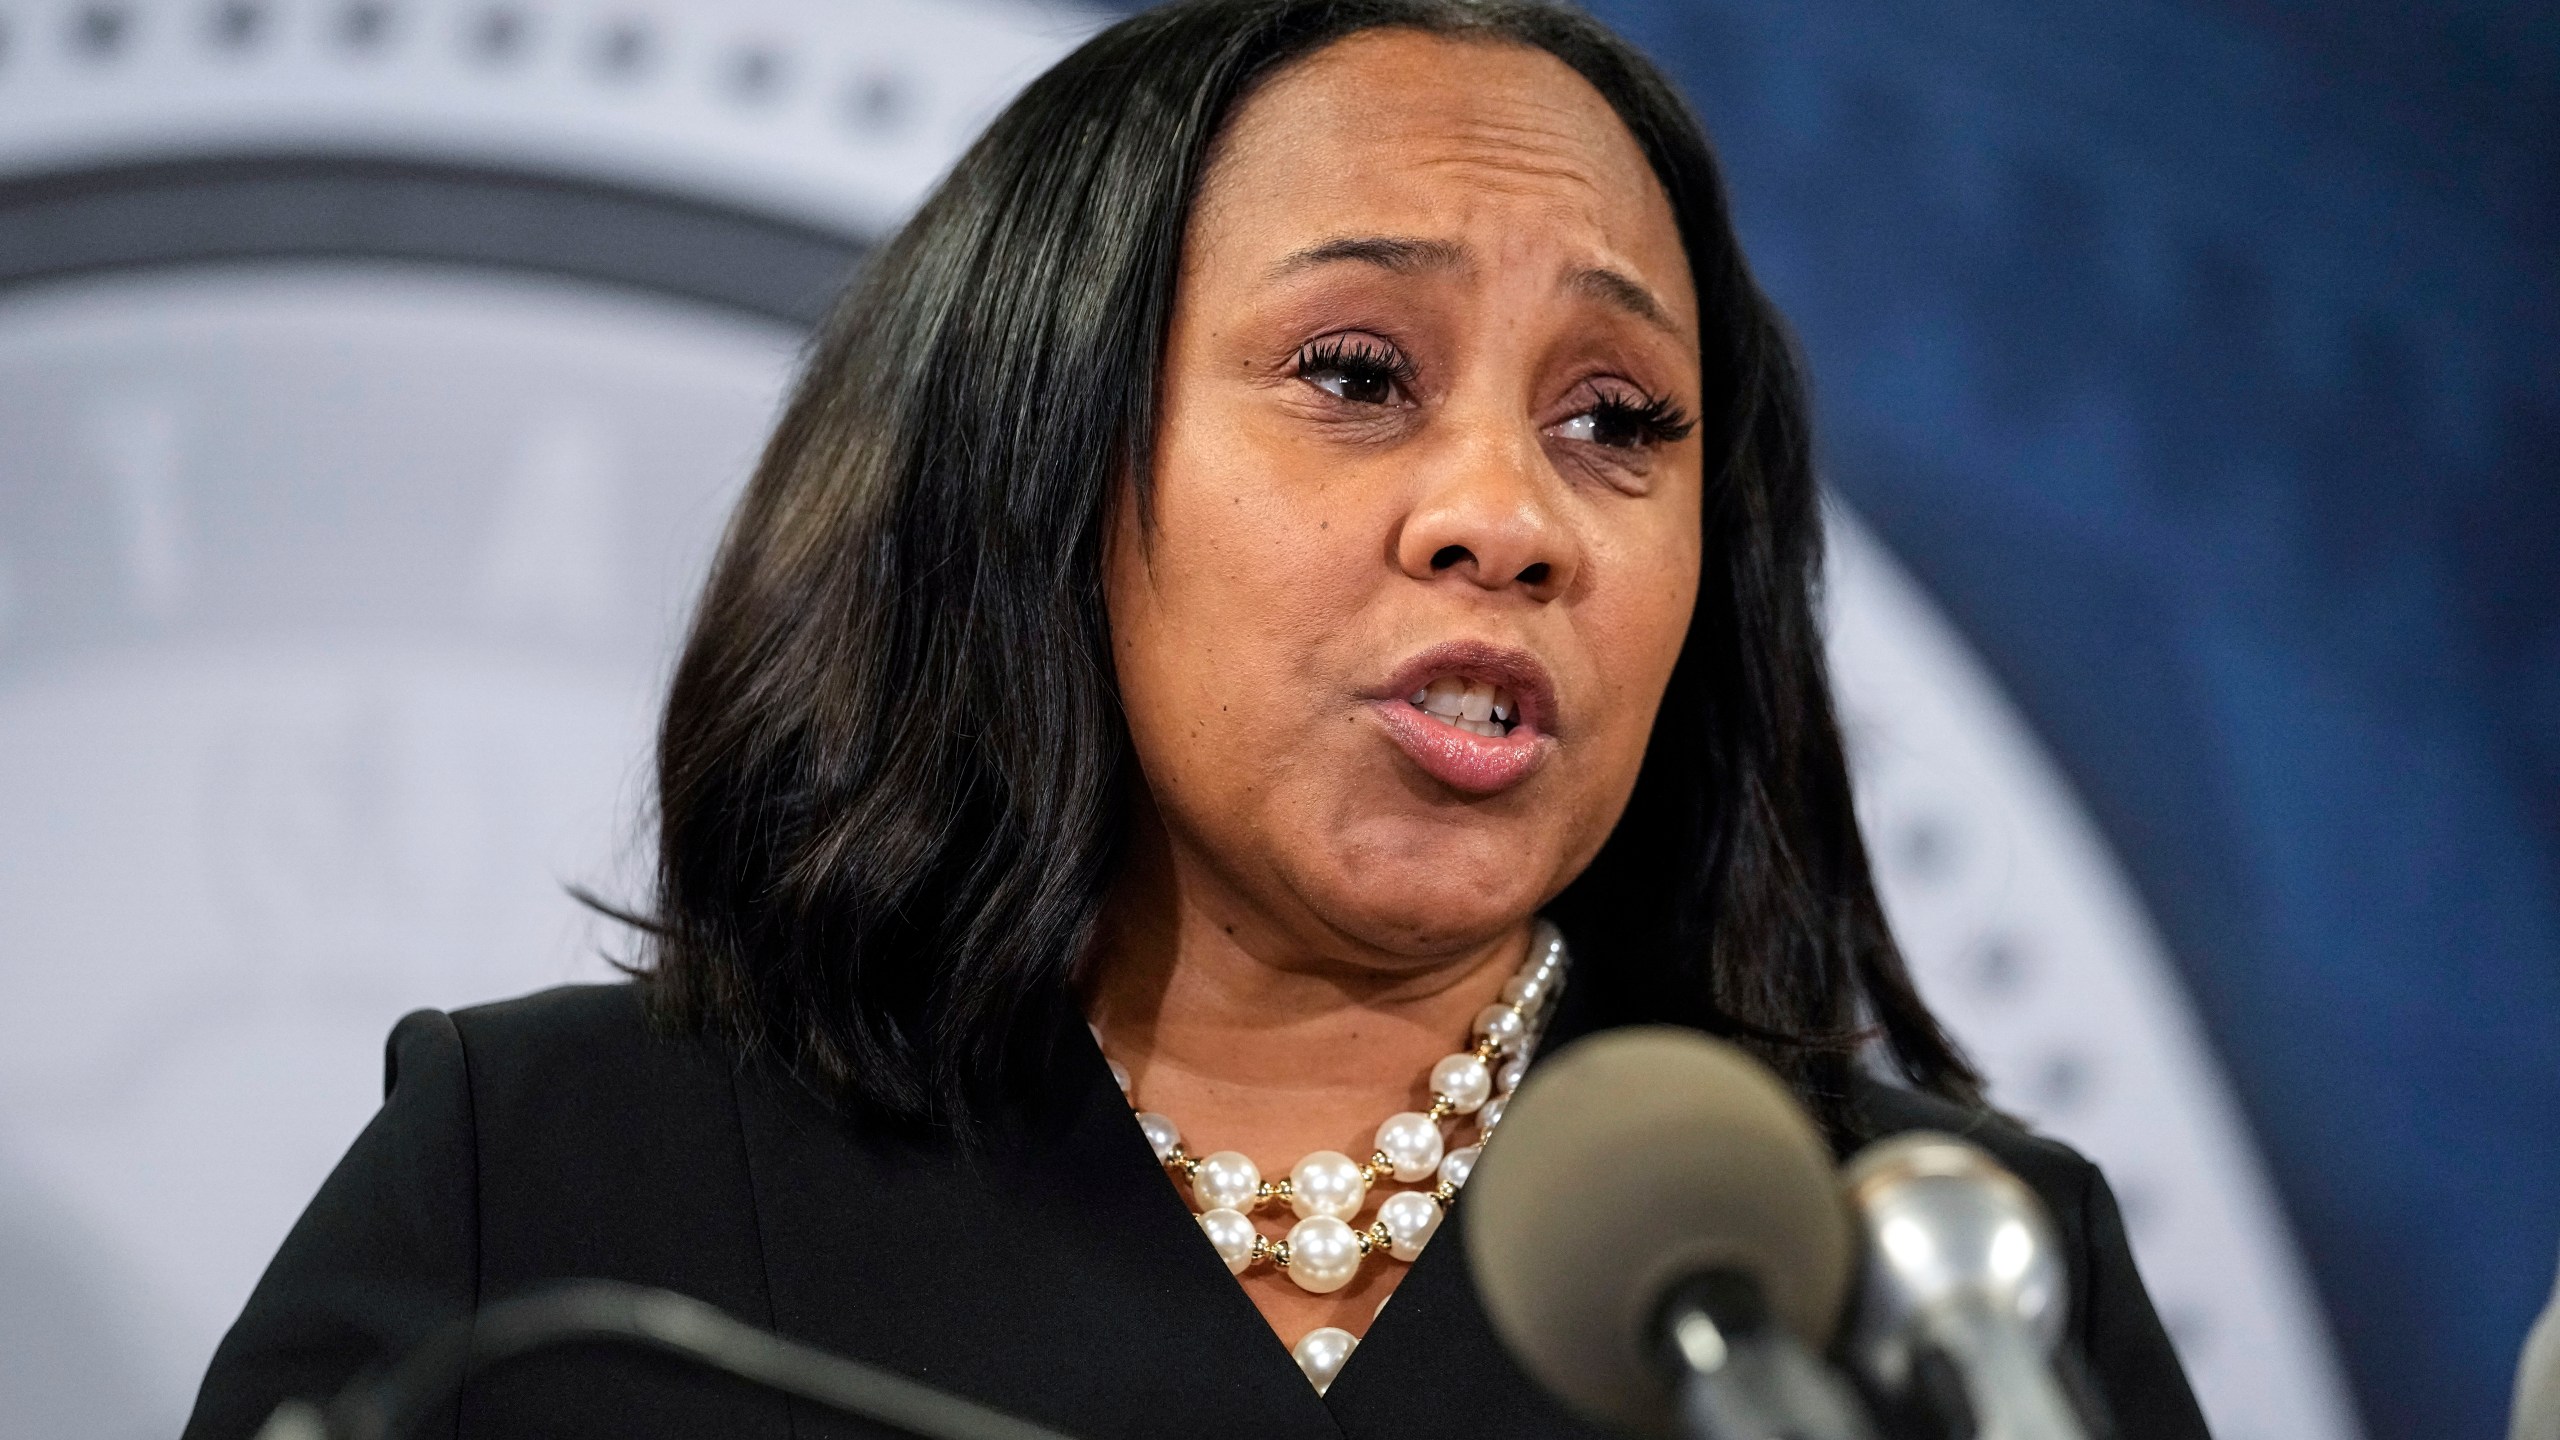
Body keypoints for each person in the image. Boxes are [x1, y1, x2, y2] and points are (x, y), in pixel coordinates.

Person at [183, 1, 2208, 1436]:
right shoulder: (548, 1197)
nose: (1503, 516)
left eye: (1615, 420)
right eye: (1351, 370)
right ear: (1037, 453)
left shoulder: (1944, 1298)